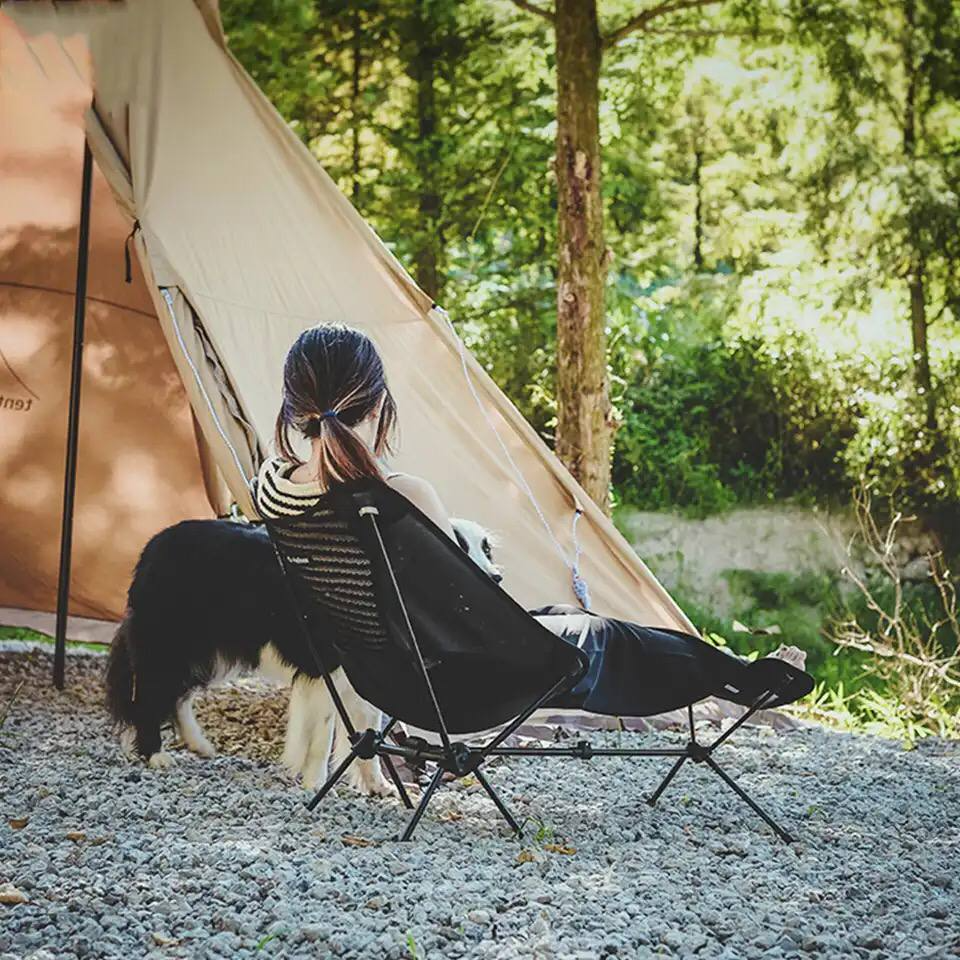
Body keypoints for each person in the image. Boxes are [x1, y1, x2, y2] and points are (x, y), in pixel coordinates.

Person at [257, 323, 804, 717]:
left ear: (293, 411)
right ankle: (739, 677)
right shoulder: (398, 497)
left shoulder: (273, 487)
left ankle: (732, 673)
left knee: (563, 616)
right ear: (378, 409)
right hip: (453, 691)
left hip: (380, 680)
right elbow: (471, 616)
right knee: (600, 636)